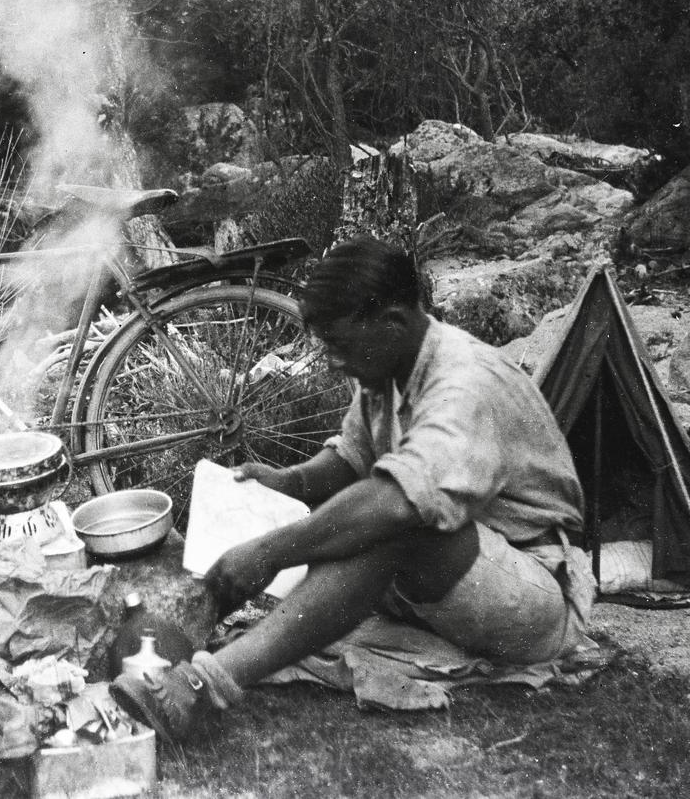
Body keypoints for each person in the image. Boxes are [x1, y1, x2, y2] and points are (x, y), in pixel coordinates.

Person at [112, 236, 596, 741]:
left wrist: (271, 551)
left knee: (385, 526)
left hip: (537, 595)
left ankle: (201, 687)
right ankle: (173, 643)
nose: (333, 361)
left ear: (392, 322)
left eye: (340, 344)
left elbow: (394, 504)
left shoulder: (465, 385)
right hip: (455, 579)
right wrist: (288, 482)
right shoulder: (388, 369)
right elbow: (350, 458)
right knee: (348, 527)